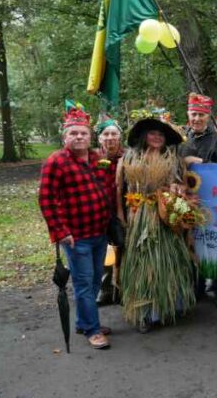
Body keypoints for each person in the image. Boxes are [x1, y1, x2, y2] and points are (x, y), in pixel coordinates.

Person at [39, 100, 112, 349]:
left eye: (83, 132)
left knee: (93, 282)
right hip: (76, 236)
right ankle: (92, 330)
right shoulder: (56, 161)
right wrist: (60, 232)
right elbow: (46, 200)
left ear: (90, 136)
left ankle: (83, 321)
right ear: (65, 137)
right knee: (83, 283)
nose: (79, 136)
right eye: (74, 133)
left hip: (99, 233)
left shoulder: (96, 157)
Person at [116, 112, 196, 333]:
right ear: (144, 135)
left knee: (168, 260)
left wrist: (178, 190)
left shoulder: (174, 160)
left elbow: (183, 186)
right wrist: (121, 216)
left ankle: (169, 306)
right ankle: (145, 313)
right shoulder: (129, 158)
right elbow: (119, 189)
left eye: (161, 134)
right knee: (144, 263)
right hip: (140, 217)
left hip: (165, 218)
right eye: (152, 132)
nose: (157, 137)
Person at [178, 93, 217, 307]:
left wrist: (198, 162)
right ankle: (196, 288)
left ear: (208, 116)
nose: (197, 118)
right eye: (193, 114)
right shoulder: (181, 138)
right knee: (191, 244)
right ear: (188, 115)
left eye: (201, 114)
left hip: (212, 201)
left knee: (214, 245)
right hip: (185, 201)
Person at [94, 116, 124, 306]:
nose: (110, 137)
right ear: (99, 138)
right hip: (100, 214)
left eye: (114, 134)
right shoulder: (92, 158)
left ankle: (124, 288)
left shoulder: (127, 157)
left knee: (124, 249)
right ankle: (106, 290)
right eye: (106, 134)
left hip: (123, 211)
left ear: (119, 137)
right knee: (105, 253)